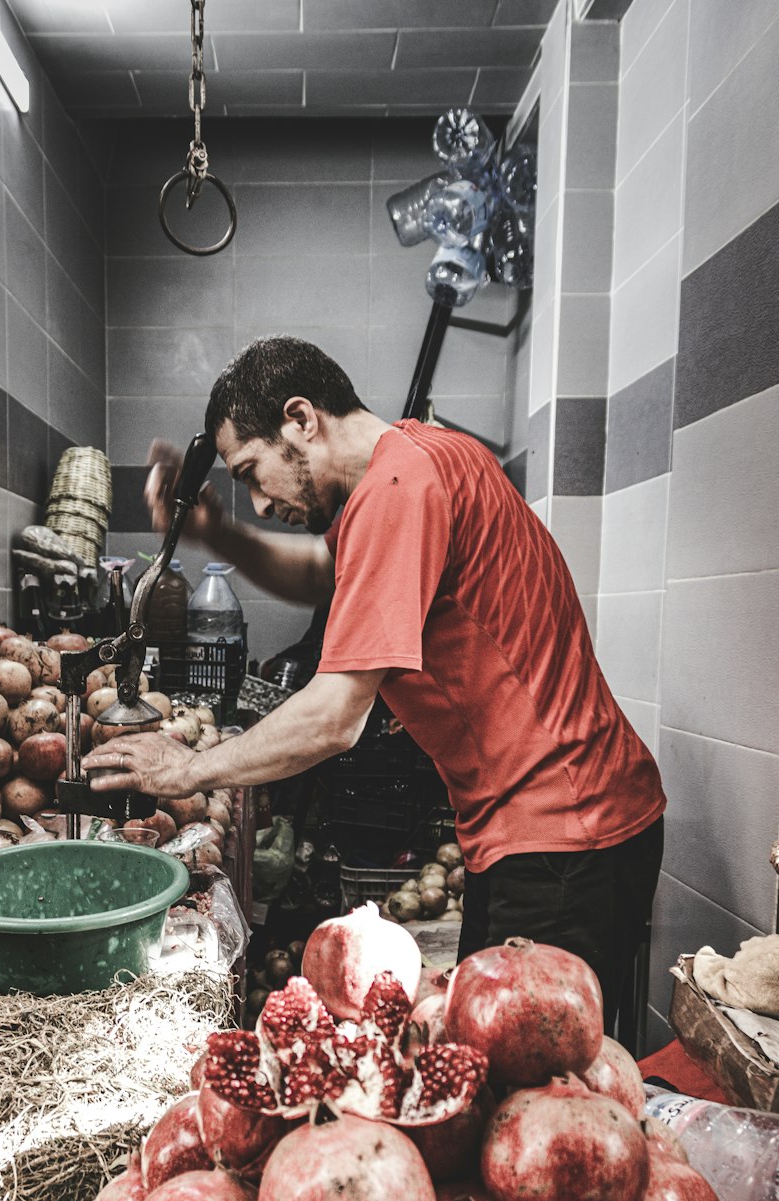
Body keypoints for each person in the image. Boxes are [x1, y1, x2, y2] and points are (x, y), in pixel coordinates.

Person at [84, 337, 665, 1040]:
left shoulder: (398, 487)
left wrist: (185, 767)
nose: (261, 503)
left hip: (564, 834)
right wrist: (217, 533)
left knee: (543, 1095)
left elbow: (335, 717)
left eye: (254, 473)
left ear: (302, 418)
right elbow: (321, 579)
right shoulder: (419, 459)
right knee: (501, 1068)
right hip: (555, 821)